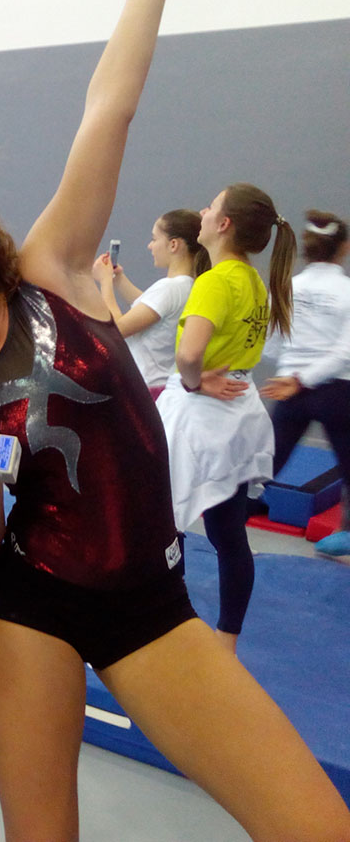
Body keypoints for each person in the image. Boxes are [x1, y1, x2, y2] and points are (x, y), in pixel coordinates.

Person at [0, 0, 350, 839]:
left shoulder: (51, 269)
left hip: (151, 604)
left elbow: (110, 110)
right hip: (29, 605)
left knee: (317, 826)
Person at [156, 181, 295, 653]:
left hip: (202, 416)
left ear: (224, 223)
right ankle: (225, 641)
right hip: (241, 413)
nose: (202, 209)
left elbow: (189, 355)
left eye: (211, 205)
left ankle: (160, 629)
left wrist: (195, 381)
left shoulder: (214, 282)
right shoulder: (253, 281)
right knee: (228, 534)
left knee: (164, 526)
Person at [260, 209, 350, 557]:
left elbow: (271, 345)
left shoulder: (287, 287)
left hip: (290, 387)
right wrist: (304, 378)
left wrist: (295, 372)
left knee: (267, 462)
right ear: (343, 248)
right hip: (335, 390)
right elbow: (344, 352)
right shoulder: (346, 291)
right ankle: (347, 533)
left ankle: (234, 510)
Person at [92, 208, 208, 396]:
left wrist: (105, 283)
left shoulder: (168, 288)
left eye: (154, 239)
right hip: (163, 386)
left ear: (173, 245)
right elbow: (150, 306)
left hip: (147, 390)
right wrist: (118, 278)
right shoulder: (189, 286)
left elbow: (116, 330)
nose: (150, 246)